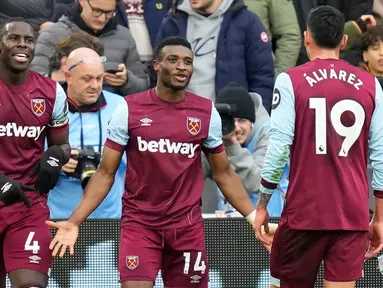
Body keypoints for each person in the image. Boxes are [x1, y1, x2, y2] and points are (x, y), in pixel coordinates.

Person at [46, 36, 257, 288]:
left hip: (187, 228)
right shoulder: (129, 108)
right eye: (173, 60)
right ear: (156, 65)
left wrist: (254, 218)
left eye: (187, 62)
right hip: (140, 225)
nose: (182, 67)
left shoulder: (205, 112)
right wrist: (74, 221)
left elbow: (224, 174)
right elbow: (105, 173)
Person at [253, 6, 383, 288]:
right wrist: (380, 217)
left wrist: (262, 203)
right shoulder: (372, 85)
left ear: (306, 37)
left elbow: (278, 147)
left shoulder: (290, 80)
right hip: (352, 214)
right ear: (344, 41)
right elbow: (381, 156)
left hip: (304, 214)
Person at [0, 18, 70, 287]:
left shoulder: (51, 92)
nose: (22, 45)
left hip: (27, 205)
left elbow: (62, 144)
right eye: (13, 39)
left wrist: (55, 156)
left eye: (28, 40)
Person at [48, 47, 126, 219]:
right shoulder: (49, 106)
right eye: (87, 79)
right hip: (58, 217)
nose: (95, 86)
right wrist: (55, 162)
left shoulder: (120, 106)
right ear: (68, 77)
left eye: (99, 78)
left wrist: (103, 160)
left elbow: (138, 159)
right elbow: (30, 156)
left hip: (108, 219)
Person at [201, 82, 287, 217]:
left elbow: (258, 183)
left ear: (252, 122)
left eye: (242, 120)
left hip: (270, 220)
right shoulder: (215, 137)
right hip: (228, 224)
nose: (235, 128)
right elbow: (195, 173)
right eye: (229, 121)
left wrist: (233, 145)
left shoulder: (270, 136)